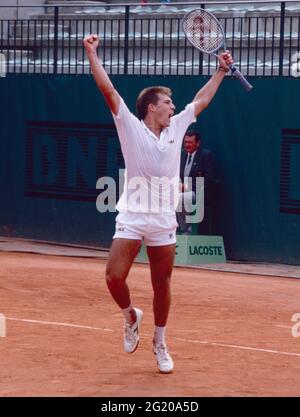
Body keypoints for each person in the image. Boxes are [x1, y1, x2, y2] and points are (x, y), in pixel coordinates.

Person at [83, 34, 233, 373]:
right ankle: (130, 316)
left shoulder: (179, 126)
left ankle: (160, 341)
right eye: (168, 102)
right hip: (134, 214)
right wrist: (92, 54)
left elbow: (201, 101)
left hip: (164, 217)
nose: (173, 107)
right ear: (152, 106)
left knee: (162, 283)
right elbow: (108, 90)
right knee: (113, 277)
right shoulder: (130, 126)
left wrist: (220, 72)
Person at [177, 131, 215, 234]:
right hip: (182, 191)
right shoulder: (182, 154)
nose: (187, 145)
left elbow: (208, 179)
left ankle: (187, 231)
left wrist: (186, 187)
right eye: (185, 142)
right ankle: (182, 230)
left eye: (190, 142)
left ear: (198, 143)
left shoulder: (205, 155)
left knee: (178, 199)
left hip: (198, 192)